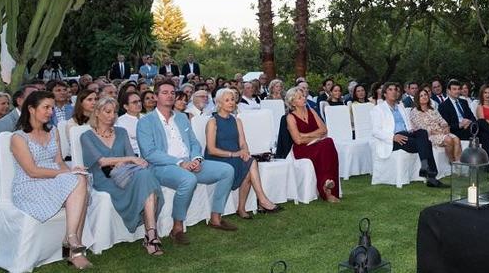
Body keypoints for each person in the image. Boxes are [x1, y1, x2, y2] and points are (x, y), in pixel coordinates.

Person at [136, 80, 237, 244]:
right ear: (155, 96)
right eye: (165, 92)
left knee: (227, 170)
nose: (170, 96)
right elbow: (149, 153)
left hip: (189, 162)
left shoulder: (182, 118)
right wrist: (180, 163)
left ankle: (216, 217)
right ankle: (177, 228)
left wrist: (196, 159)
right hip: (162, 166)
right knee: (188, 179)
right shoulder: (146, 122)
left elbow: (194, 143)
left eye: (172, 93)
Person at [10, 91, 92, 269]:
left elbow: (59, 162)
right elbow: (32, 171)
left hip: (53, 179)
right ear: (31, 109)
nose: (50, 112)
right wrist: (66, 175)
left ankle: (70, 239)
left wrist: (70, 171)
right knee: (78, 184)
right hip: (29, 185)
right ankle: (73, 246)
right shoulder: (18, 137)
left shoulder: (53, 131)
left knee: (81, 178)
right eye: (46, 107)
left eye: (52, 108)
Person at [80, 97, 165, 255]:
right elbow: (102, 161)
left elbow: (131, 157)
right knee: (146, 180)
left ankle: (150, 233)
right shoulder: (87, 136)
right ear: (97, 113)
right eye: (107, 111)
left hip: (126, 174)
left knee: (145, 176)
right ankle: (151, 237)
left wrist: (126, 160)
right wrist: (128, 159)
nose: (112, 115)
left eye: (114, 112)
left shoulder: (121, 132)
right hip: (102, 179)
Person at [204, 88, 281, 218]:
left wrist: (245, 151)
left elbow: (243, 143)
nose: (231, 103)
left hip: (236, 155)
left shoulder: (236, 120)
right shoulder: (213, 122)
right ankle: (258, 201)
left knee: (250, 162)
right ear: (219, 103)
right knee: (250, 165)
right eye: (227, 100)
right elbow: (211, 149)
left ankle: (249, 205)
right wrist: (234, 154)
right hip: (218, 158)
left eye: (233, 100)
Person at [371, 83, 447, 188]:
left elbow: (408, 125)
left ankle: (425, 168)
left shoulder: (400, 107)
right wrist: (393, 137)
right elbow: (375, 131)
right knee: (426, 143)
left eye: (396, 90)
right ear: (384, 94)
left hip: (406, 134)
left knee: (422, 132)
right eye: (390, 90)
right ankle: (431, 176)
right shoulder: (378, 109)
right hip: (392, 139)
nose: (394, 92)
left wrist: (411, 131)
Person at [285, 87, 341, 202]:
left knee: (328, 142)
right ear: (293, 102)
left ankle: (327, 184)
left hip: (317, 144)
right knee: (326, 144)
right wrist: (316, 136)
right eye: (299, 97)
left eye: (303, 96)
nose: (304, 98)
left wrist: (305, 135)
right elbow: (298, 140)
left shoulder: (312, 111)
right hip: (302, 149)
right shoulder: (290, 117)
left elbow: (324, 130)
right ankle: (327, 189)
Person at [0, 86, 36, 197]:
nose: (38, 100)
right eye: (33, 97)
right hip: (11, 174)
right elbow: (3, 157)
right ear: (19, 101)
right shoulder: (5, 123)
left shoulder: (39, 120)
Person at [438, 79, 489, 157]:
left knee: (485, 135)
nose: (457, 91)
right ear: (448, 91)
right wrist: (460, 124)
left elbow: (472, 118)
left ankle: (486, 163)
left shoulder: (463, 102)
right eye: (454, 89)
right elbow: (447, 126)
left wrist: (469, 122)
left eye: (458, 89)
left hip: (469, 128)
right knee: (481, 121)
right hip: (457, 132)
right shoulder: (443, 106)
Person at [409, 89, 461, 163]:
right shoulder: (414, 112)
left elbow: (442, 121)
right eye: (421, 96)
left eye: (425, 95)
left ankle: (459, 164)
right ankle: (452, 162)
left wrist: (446, 127)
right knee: (448, 140)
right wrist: (440, 131)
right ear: (417, 99)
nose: (424, 97)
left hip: (441, 132)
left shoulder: (432, 109)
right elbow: (423, 128)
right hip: (428, 136)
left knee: (456, 139)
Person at [116, 91, 143, 155]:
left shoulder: (147, 118)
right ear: (126, 106)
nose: (139, 104)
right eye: (134, 102)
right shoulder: (120, 122)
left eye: (139, 101)